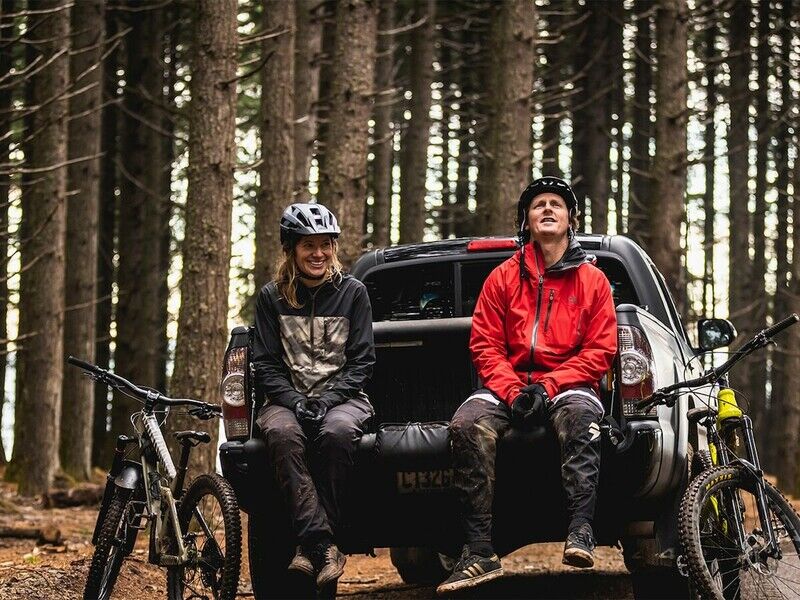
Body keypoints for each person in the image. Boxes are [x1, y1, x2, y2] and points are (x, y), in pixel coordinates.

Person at [437, 177, 618, 595]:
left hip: (568, 383)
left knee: (583, 417)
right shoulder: (502, 277)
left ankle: (581, 530)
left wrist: (549, 386)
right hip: (509, 385)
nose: (548, 209)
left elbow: (601, 349)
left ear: (571, 218)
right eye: (539, 205)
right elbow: (484, 344)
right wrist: (513, 390)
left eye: (556, 203)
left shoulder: (593, 280)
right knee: (466, 424)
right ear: (527, 220)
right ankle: (480, 551)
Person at [252, 203, 375, 590]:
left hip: (344, 399)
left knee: (337, 433)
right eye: (308, 245)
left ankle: (312, 545)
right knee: (283, 434)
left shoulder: (353, 293)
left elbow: (362, 362)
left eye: (325, 245)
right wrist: (294, 400)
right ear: (291, 249)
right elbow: (265, 363)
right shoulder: (271, 297)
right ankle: (321, 544)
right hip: (286, 401)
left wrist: (327, 399)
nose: (318, 253)